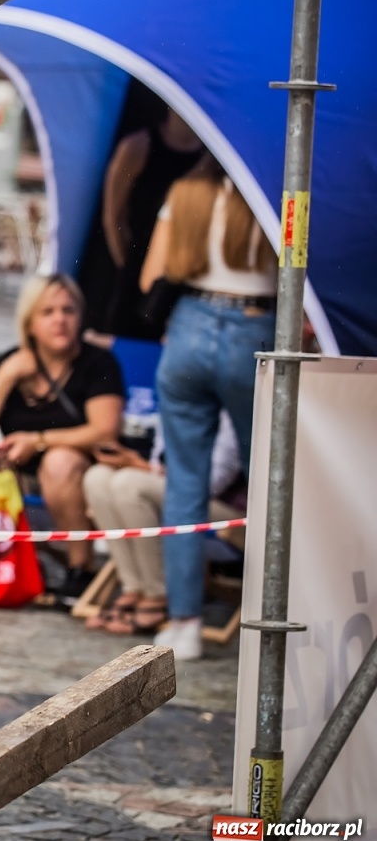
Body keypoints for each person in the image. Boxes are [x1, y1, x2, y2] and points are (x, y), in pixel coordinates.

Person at [141, 153, 275, 660]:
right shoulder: (270, 191)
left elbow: (151, 276)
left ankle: (185, 624)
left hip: (189, 327)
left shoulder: (184, 192)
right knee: (267, 481)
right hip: (256, 330)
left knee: (184, 484)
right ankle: (271, 614)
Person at [0, 273, 124, 604]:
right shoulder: (12, 361)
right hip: (19, 472)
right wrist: (9, 373)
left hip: (77, 469)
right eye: (48, 312)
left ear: (80, 317)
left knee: (58, 461)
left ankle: (79, 568)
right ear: (30, 323)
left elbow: (104, 430)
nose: (60, 320)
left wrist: (37, 440)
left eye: (68, 311)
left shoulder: (97, 362)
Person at [83, 411, 244, 636]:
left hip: (226, 510)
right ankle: (133, 588)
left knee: (128, 483)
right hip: (174, 494)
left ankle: (156, 593)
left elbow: (209, 485)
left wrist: (139, 466)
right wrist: (140, 465)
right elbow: (158, 462)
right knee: (97, 476)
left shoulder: (228, 413)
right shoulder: (176, 398)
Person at [96, 105, 204, 339]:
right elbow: (113, 217)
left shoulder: (211, 157)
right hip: (138, 268)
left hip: (187, 275)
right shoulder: (137, 147)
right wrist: (129, 265)